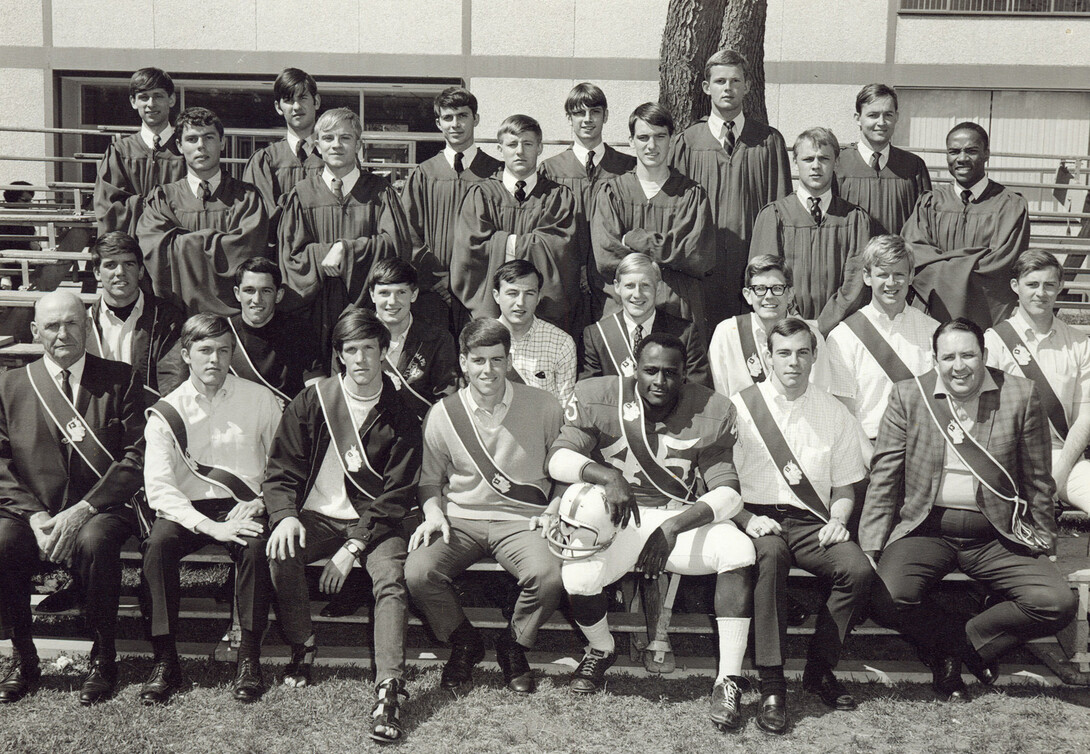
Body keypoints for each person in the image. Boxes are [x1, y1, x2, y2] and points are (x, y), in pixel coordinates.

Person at [546, 332, 755, 732]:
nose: (659, 381)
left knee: (739, 551)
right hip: (622, 519)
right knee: (577, 574)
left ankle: (728, 679)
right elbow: (559, 458)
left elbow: (729, 492)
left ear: (685, 375)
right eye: (651, 370)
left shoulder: (712, 408)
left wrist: (674, 527)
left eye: (670, 373)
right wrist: (607, 475)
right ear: (635, 370)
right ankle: (601, 648)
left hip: (678, 518)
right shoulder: (600, 395)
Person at [863, 318, 1076, 701]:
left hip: (996, 532)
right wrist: (872, 546)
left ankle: (957, 647)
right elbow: (885, 477)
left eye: (968, 355)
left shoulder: (1020, 394)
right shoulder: (909, 395)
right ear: (935, 359)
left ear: (984, 355)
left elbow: (1037, 477)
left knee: (1056, 602)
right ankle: (955, 646)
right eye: (949, 357)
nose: (958, 366)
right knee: (885, 596)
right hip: (928, 527)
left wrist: (1045, 539)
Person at [263, 308, 421, 743]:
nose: (362, 359)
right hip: (315, 516)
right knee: (281, 551)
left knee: (390, 578)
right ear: (339, 356)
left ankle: (389, 688)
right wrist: (284, 516)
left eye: (370, 348)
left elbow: (395, 494)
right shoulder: (313, 401)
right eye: (351, 350)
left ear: (384, 352)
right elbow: (280, 471)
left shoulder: (402, 413)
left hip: (375, 525)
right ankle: (303, 646)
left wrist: (352, 547)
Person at [0, 291, 145, 706]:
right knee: (2, 542)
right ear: (34, 331)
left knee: (96, 541)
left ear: (87, 327)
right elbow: (0, 461)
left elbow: (137, 456)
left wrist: (83, 509)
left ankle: (104, 656)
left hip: (101, 506)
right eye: (51, 326)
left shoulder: (122, 378)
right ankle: (23, 656)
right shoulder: (9, 384)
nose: (62, 333)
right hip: (32, 510)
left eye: (72, 323)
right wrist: (34, 517)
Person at [405, 319, 564, 695]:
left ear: (509, 361)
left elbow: (565, 469)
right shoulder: (443, 413)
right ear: (463, 362)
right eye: (478, 360)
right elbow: (430, 479)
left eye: (497, 360)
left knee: (548, 576)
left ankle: (514, 644)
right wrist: (432, 512)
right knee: (418, 572)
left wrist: (555, 505)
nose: (488, 370)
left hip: (524, 520)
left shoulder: (544, 405)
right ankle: (464, 642)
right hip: (461, 519)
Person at [730, 318, 871, 734]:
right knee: (770, 561)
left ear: (813, 356)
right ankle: (773, 685)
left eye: (802, 352)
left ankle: (819, 669)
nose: (793, 362)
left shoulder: (834, 413)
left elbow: (846, 486)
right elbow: (719, 478)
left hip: (812, 521)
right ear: (768, 357)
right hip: (756, 516)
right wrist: (745, 518)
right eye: (784, 353)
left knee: (857, 570)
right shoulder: (741, 405)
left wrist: (839, 520)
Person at [140, 314, 282, 705]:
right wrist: (208, 527)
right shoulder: (166, 411)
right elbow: (160, 490)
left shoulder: (259, 399)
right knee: (157, 547)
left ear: (232, 353)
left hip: (244, 505)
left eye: (223, 350)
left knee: (255, 548)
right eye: (204, 350)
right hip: (187, 510)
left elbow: (284, 464)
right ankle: (166, 662)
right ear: (186, 354)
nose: (214, 359)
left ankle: (249, 659)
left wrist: (261, 503)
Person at [670, 48, 792, 329]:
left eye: (735, 81)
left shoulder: (768, 141)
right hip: (701, 272)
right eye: (720, 81)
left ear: (748, 86)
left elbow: (780, 210)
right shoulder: (687, 142)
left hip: (753, 269)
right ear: (706, 87)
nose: (728, 88)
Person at [278, 107, 411, 361]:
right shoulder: (302, 194)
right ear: (317, 145)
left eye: (345, 138)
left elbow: (396, 246)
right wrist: (325, 254)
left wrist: (345, 249)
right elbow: (290, 256)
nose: (336, 145)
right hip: (315, 313)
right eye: (328, 138)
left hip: (366, 310)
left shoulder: (381, 192)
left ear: (359, 144)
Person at [591, 102, 714, 331]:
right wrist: (666, 260)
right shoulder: (612, 193)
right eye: (643, 137)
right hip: (623, 308)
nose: (652, 145)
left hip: (678, 310)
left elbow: (695, 255)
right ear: (631, 142)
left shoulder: (691, 195)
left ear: (672, 140)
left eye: (660, 136)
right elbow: (606, 256)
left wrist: (638, 240)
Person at [450, 115, 578, 334]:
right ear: (500, 150)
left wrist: (503, 242)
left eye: (527, 144)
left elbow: (560, 249)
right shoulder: (481, 195)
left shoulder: (558, 197)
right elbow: (469, 252)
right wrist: (529, 243)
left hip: (543, 320)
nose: (520, 151)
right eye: (512, 144)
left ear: (540, 148)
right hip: (491, 316)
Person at [985, 250, 1090, 515]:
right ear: (1015, 287)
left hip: (1063, 458)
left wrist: (1058, 475)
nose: (1040, 293)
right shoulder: (994, 342)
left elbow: (1085, 417)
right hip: (1010, 459)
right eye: (1032, 284)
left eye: (1049, 285)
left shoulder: (1081, 343)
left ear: (1060, 288)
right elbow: (987, 418)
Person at [137, 107, 270, 317]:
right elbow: (153, 250)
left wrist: (183, 242)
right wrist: (216, 242)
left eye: (209, 137)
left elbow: (246, 253)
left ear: (222, 142)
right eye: (192, 139)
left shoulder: (247, 198)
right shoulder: (162, 199)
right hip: (179, 317)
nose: (201, 146)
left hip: (235, 319)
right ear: (179, 145)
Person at [903, 122, 1029, 329]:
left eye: (971, 151)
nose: (961, 158)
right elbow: (914, 253)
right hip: (932, 311)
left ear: (987, 154)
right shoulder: (930, 202)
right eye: (954, 151)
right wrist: (967, 265)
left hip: (984, 316)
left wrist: (942, 268)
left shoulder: (1010, 205)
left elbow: (1001, 264)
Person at [750, 128, 872, 336]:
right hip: (785, 329)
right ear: (795, 162)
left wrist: (823, 324)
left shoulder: (854, 218)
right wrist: (794, 320)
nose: (816, 166)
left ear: (836, 162)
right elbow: (764, 277)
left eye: (824, 158)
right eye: (808, 159)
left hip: (841, 331)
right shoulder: (775, 215)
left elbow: (856, 281)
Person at [400, 86, 502, 333]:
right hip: (433, 292)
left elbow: (501, 231)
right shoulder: (424, 173)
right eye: (448, 117)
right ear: (438, 123)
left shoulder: (497, 172)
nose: (455, 124)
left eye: (463, 116)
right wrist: (436, 277)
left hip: (482, 289)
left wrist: (464, 278)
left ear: (475, 119)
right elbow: (408, 232)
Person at [826, 235, 939, 447]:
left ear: (911, 276)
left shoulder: (933, 331)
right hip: (869, 448)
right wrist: (870, 460)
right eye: (882, 274)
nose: (891, 283)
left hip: (923, 446)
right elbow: (844, 413)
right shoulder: (843, 338)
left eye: (899, 274)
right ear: (867, 277)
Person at [542, 83, 636, 326]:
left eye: (594, 112)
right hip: (565, 279)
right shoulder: (551, 170)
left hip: (613, 280)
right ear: (569, 118)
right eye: (579, 113)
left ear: (606, 116)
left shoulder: (628, 167)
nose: (587, 119)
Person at [709, 255, 831, 398]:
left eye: (777, 288)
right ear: (748, 295)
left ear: (790, 294)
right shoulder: (727, 333)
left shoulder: (810, 335)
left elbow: (821, 393)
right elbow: (719, 398)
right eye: (760, 288)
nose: (769, 296)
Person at [581, 251, 710, 387]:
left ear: (658, 288)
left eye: (645, 285)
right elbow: (589, 395)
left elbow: (697, 393)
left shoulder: (685, 334)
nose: (637, 294)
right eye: (629, 285)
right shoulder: (596, 336)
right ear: (617, 287)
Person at [85, 230, 187, 398]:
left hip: (150, 416)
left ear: (140, 271)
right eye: (110, 265)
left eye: (129, 264)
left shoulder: (166, 318)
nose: (120, 272)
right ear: (97, 273)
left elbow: (174, 381)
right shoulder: (85, 322)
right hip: (102, 420)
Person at [94, 67, 187, 237]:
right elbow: (108, 207)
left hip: (176, 247)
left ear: (171, 99)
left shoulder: (186, 151)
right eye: (144, 97)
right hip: (132, 248)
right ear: (133, 102)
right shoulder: (120, 151)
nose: (151, 104)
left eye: (158, 96)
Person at [368, 257, 460, 422]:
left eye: (401, 292)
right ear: (372, 295)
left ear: (414, 294)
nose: (392, 302)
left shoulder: (438, 339)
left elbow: (446, 399)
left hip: (418, 438)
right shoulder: (355, 337)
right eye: (384, 293)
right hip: (366, 438)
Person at [243, 67, 325, 249]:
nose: (296, 107)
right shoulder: (265, 161)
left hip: (325, 258)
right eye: (288, 100)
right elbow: (260, 219)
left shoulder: (333, 157)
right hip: (279, 259)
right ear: (278, 107)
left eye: (303, 98)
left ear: (316, 101)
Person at [834, 84, 932, 236]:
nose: (881, 122)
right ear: (858, 118)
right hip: (852, 257)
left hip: (899, 257)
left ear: (896, 117)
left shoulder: (913, 166)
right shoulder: (838, 164)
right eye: (873, 115)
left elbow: (924, 223)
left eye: (888, 115)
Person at [229, 256, 324, 404]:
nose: (257, 299)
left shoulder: (299, 331)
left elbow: (317, 393)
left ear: (278, 295)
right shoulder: (224, 333)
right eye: (249, 290)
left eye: (266, 291)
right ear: (237, 293)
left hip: (288, 421)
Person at [493, 259, 577, 407]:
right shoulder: (482, 339)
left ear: (538, 297)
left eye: (529, 294)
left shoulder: (560, 342)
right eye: (512, 293)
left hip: (543, 427)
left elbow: (566, 406)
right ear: (496, 295)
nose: (520, 302)